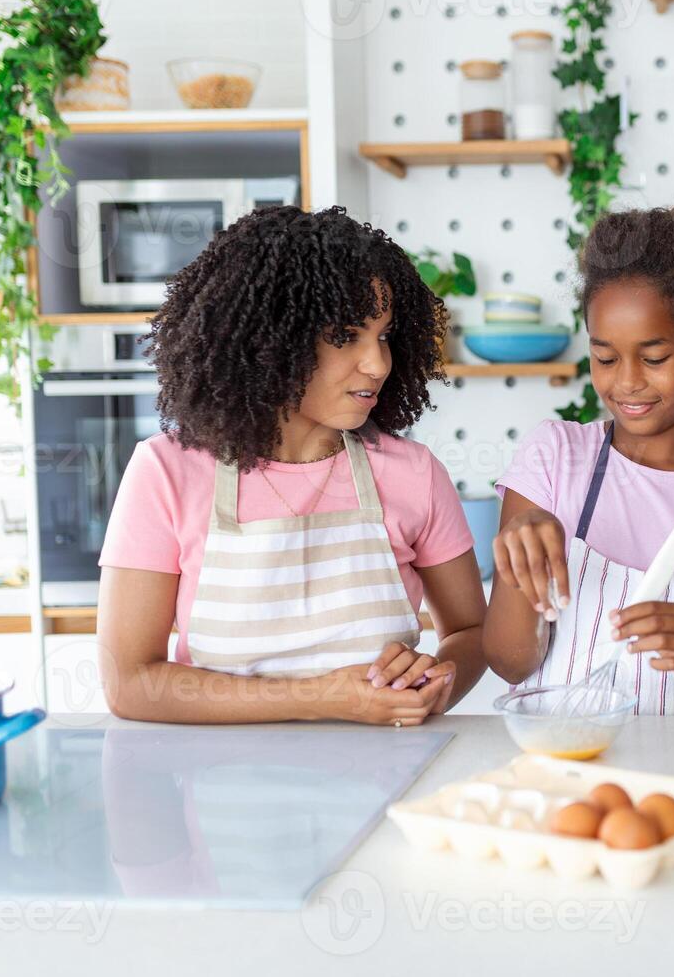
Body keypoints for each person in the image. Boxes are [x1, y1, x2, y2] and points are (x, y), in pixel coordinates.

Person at [97, 206, 486, 726]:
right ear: (271, 339)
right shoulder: (166, 472)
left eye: (386, 336)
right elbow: (130, 682)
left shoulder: (413, 473)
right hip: (221, 796)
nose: (378, 364)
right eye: (347, 336)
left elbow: (472, 634)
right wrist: (326, 697)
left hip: (387, 782)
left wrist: (436, 681)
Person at [483, 201, 674, 716]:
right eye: (605, 357)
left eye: (653, 358)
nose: (626, 381)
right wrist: (524, 574)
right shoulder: (555, 458)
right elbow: (510, 662)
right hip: (559, 772)